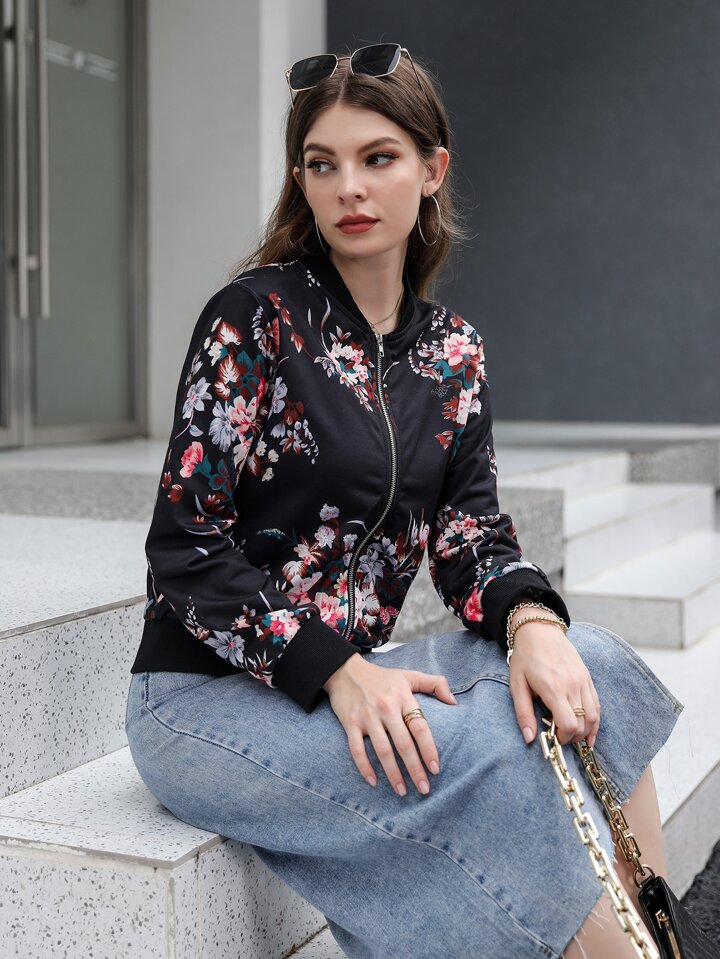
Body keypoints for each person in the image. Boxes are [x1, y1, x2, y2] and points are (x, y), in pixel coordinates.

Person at [125, 43, 684, 958]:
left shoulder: (451, 353)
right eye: (322, 164)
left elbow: (472, 536)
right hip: (204, 700)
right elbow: (184, 546)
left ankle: (656, 937)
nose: (349, 187)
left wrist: (532, 623)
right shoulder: (255, 319)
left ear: (432, 170)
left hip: (353, 674)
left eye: (377, 157)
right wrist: (337, 669)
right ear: (301, 182)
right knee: (492, 754)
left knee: (595, 671)